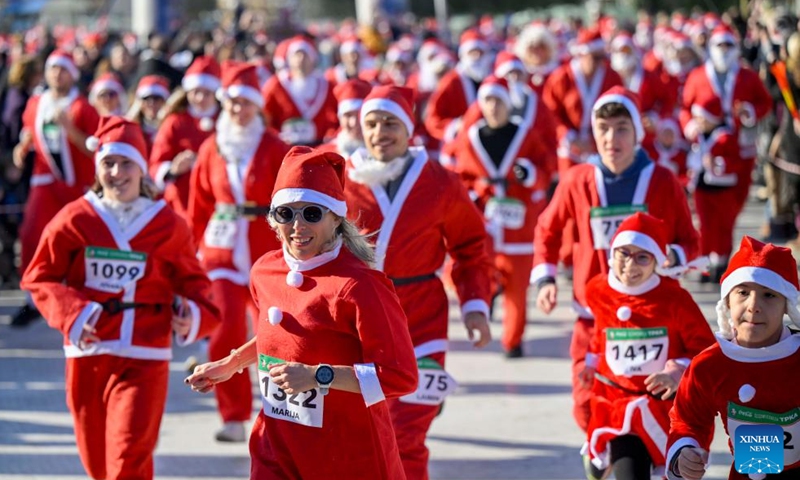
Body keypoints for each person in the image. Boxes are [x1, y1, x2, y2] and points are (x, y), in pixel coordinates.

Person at [186, 146, 418, 479]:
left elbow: (401, 376)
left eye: (311, 213)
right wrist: (232, 363)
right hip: (275, 444)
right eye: (286, 214)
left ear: (336, 217)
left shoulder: (361, 285)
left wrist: (317, 376)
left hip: (347, 454)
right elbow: (279, 335)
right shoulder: (265, 271)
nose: (297, 225)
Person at [20, 116, 220, 480]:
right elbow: (39, 276)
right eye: (108, 163)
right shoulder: (75, 218)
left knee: (128, 456)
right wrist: (73, 312)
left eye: (126, 162)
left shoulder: (168, 223)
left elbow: (198, 286)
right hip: (88, 353)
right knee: (98, 462)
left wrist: (192, 314)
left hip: (146, 353)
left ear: (142, 169)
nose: (116, 172)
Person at [532, 87, 701, 433]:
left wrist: (672, 256)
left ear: (638, 131)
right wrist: (546, 278)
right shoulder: (577, 179)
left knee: (651, 402)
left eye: (622, 128)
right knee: (586, 404)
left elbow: (690, 240)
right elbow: (547, 229)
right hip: (592, 318)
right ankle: (601, 449)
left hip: (649, 319)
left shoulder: (663, 180)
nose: (611, 138)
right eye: (603, 128)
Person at [345, 85, 493, 480]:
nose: (380, 133)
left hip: (422, 316)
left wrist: (475, 306)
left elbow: (470, 245)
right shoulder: (342, 179)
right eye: (372, 124)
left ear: (409, 129)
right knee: (367, 429)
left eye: (390, 123)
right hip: (360, 318)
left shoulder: (440, 180)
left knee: (407, 430)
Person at [188, 61, 290, 442]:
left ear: (257, 106)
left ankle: (280, 412)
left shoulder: (275, 145)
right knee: (224, 328)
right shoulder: (211, 146)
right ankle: (232, 416)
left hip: (266, 248)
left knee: (276, 332)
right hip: (221, 251)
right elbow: (198, 202)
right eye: (231, 103)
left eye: (245, 103)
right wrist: (193, 251)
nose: (238, 110)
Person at [580, 213, 714, 480]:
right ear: (612, 253)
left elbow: (705, 348)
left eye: (642, 257)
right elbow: (601, 332)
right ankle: (604, 456)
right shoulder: (597, 289)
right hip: (614, 404)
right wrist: (591, 363)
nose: (630, 265)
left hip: (662, 409)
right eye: (624, 254)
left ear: (656, 262)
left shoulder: (675, 299)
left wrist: (678, 372)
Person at [666, 236, 800, 480]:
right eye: (743, 292)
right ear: (727, 301)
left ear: (786, 307)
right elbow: (687, 419)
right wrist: (684, 450)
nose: (753, 305)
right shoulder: (709, 364)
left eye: (769, 295)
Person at [443, 76, 556, 357]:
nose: (493, 107)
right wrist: (473, 192)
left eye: (498, 101)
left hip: (519, 228)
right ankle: (487, 298)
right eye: (488, 101)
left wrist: (529, 173)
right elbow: (460, 177)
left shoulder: (526, 134)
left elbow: (546, 169)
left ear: (507, 104)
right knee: (480, 271)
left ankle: (513, 340)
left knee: (518, 287)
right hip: (485, 227)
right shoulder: (470, 138)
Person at [12, 49, 100, 327]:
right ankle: (33, 297)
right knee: (31, 236)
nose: (56, 74)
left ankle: (81, 298)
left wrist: (70, 129)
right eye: (52, 68)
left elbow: (94, 149)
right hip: (44, 182)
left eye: (62, 69)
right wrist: (22, 146)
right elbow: (29, 132)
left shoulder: (82, 107)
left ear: (72, 74)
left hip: (75, 185)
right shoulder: (36, 103)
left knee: (78, 241)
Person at [149, 55, 221, 220]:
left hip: (215, 203)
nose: (201, 98)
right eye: (196, 92)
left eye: (207, 93)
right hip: (181, 203)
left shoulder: (225, 121)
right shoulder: (175, 122)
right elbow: (155, 164)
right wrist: (173, 169)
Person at [686, 95, 749, 282]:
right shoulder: (698, 136)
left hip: (723, 189)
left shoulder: (726, 137)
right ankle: (705, 265)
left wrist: (718, 164)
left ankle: (721, 264)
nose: (698, 121)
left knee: (723, 227)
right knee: (705, 227)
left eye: (702, 117)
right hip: (702, 189)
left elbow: (736, 163)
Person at [543, 28, 623, 174]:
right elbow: (550, 112)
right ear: (582, 54)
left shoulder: (611, 77)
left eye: (602, 58)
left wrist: (600, 136)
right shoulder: (561, 78)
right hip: (570, 147)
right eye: (595, 58)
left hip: (600, 145)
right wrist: (568, 135)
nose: (600, 63)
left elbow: (619, 110)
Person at [261, 35, 338, 146]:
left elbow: (336, 116)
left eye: (305, 55)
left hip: (319, 146)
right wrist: (276, 136)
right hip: (284, 148)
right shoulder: (276, 85)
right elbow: (264, 117)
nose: (300, 59)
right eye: (297, 55)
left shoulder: (326, 86)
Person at [425, 29, 493, 142]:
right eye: (472, 52)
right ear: (463, 55)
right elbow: (433, 118)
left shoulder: (492, 78)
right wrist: (456, 125)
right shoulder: (451, 82)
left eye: (480, 52)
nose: (476, 57)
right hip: (462, 144)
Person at [126, 75, 170, 155]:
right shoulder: (133, 128)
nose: (151, 103)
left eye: (156, 98)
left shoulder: (172, 127)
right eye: (146, 98)